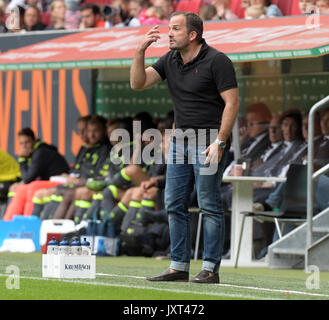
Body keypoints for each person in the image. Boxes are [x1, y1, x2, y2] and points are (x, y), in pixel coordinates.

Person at [130, 11, 239, 283]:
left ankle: (210, 268)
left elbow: (232, 103)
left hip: (208, 142)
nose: (169, 33)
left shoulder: (217, 61)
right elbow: (138, 83)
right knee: (173, 203)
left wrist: (220, 142)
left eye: (175, 29)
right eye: (169, 28)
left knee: (209, 204)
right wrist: (140, 50)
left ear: (192, 35)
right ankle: (178, 266)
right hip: (179, 143)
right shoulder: (170, 59)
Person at [3, 128, 70, 221]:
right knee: (19, 187)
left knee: (32, 187)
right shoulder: (34, 151)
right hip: (49, 181)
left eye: (27, 142)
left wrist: (22, 160)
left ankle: (28, 223)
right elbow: (27, 178)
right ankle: (8, 222)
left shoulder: (40, 152)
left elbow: (28, 179)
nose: (24, 146)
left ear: (34, 141)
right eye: (21, 143)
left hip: (62, 180)